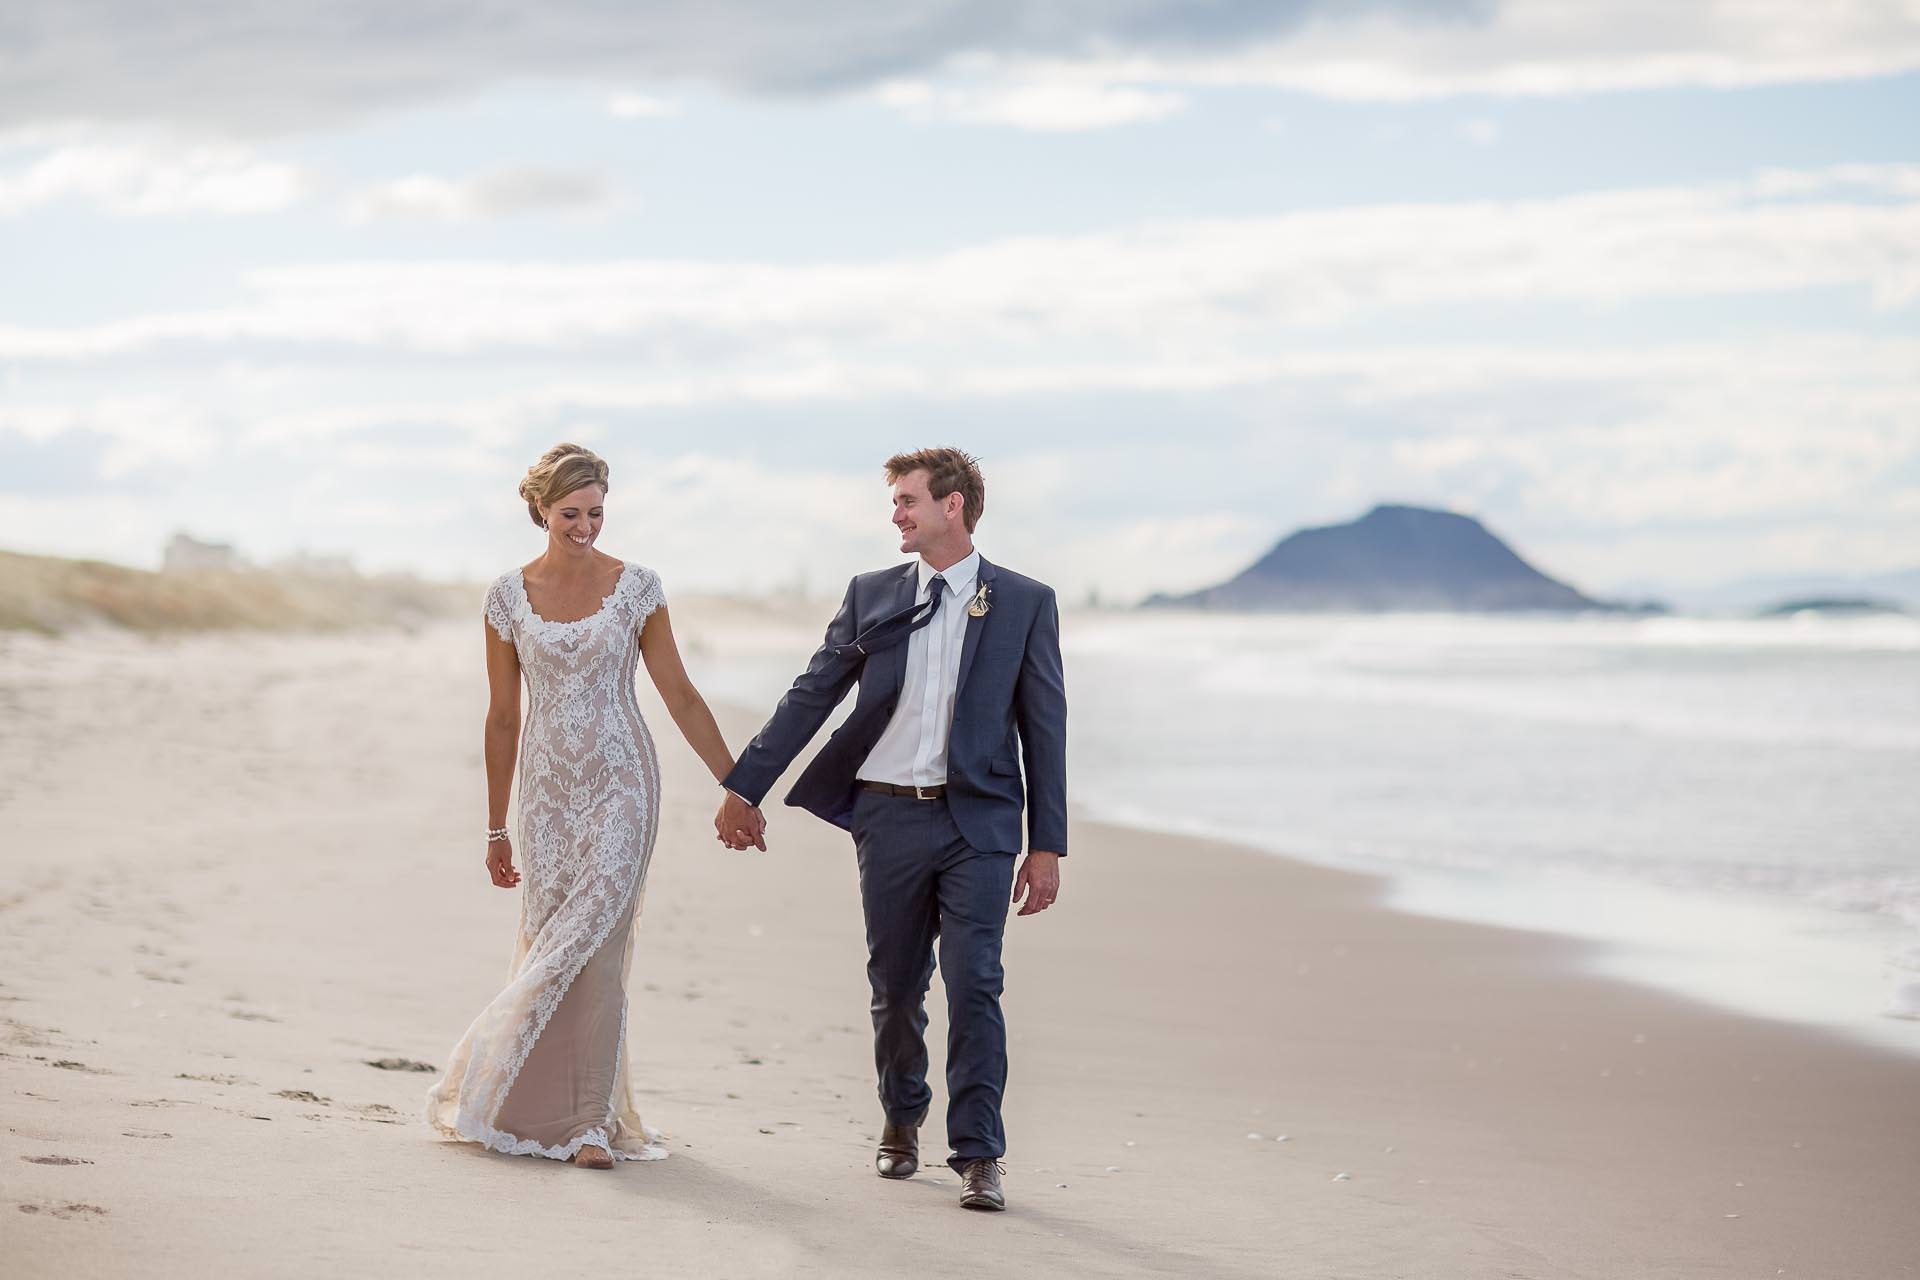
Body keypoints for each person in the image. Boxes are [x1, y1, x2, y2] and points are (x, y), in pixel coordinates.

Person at [715, 446, 1068, 1212]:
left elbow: (1046, 727)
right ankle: (901, 1118)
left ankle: (979, 1153)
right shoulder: (872, 594)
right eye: (896, 502)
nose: (897, 515)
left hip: (980, 823)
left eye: (908, 501)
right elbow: (812, 693)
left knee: (977, 982)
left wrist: (1047, 845)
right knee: (897, 985)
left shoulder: (1024, 602)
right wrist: (746, 787)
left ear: (954, 507)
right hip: (887, 815)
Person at [426, 443, 751, 1169]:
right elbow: (502, 717)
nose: (585, 527)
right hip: (545, 794)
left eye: (597, 513)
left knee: (598, 945)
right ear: (540, 509)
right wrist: (494, 827)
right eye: (570, 513)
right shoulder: (507, 597)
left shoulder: (636, 587)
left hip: (622, 783)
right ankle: (522, 1098)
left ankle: (588, 1125)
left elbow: (681, 695)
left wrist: (739, 782)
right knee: (550, 936)